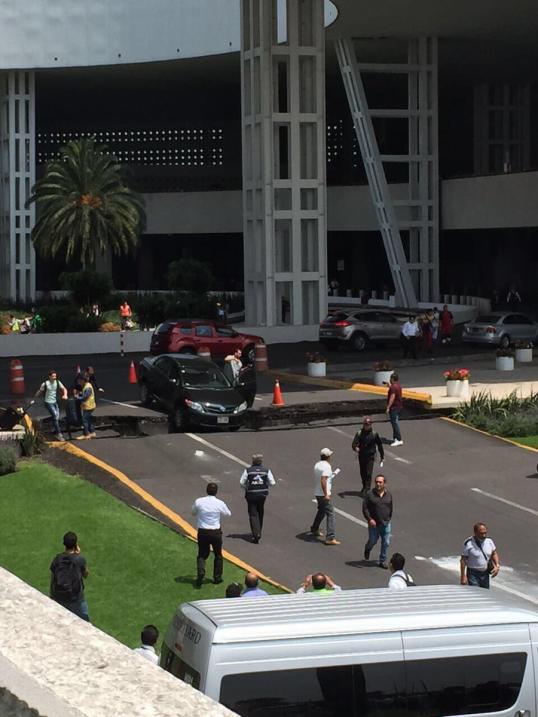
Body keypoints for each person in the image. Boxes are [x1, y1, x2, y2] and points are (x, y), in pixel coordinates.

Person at [192, 482, 231, 587]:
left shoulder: (199, 501)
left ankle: (201, 572)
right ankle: (217, 577)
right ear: (216, 492)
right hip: (215, 532)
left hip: (203, 531)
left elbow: (193, 512)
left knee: (201, 554)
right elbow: (228, 513)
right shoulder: (219, 503)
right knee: (218, 555)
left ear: (206, 490)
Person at [50, 531, 90, 621]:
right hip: (75, 598)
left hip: (58, 596)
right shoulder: (79, 559)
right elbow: (86, 574)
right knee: (85, 621)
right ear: (76, 544)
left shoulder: (57, 559)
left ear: (64, 544)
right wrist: (78, 555)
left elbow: (53, 578)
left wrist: (52, 595)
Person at [239, 453, 276, 543]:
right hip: (262, 494)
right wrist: (265, 485)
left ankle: (256, 533)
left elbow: (241, 482)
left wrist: (246, 487)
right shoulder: (266, 470)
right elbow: (272, 482)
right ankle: (259, 531)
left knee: (253, 513)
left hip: (251, 494)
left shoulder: (248, 470)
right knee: (260, 512)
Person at [310, 447, 341, 546]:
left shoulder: (317, 464)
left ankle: (315, 528)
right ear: (328, 456)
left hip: (317, 492)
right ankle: (330, 537)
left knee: (322, 510)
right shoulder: (327, 466)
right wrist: (326, 494)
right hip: (323, 493)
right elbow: (323, 480)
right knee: (330, 513)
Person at [362, 475, 393, 569]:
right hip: (374, 524)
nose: (378, 484)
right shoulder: (370, 494)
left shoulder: (388, 494)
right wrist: (369, 519)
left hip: (385, 523)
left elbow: (391, 507)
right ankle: (367, 549)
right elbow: (365, 508)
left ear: (384, 483)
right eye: (376, 482)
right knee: (373, 541)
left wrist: (388, 518)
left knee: (386, 542)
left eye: (380, 482)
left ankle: (382, 561)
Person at [460, 522, 500, 589]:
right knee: (475, 592)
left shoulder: (489, 541)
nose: (484, 535)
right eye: (481, 533)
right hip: (473, 574)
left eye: (485, 533)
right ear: (475, 533)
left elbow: (494, 553)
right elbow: (463, 560)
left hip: (485, 573)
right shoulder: (469, 543)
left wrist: (497, 565)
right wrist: (463, 576)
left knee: (485, 593)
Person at [351, 416, 384, 495]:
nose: (366, 426)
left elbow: (379, 445)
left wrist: (382, 456)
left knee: (368, 473)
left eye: (368, 424)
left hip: (370, 456)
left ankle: (368, 490)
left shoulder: (374, 434)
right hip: (362, 455)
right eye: (365, 424)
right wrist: (356, 448)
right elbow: (354, 444)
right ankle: (364, 486)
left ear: (371, 425)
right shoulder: (359, 433)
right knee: (362, 473)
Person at [34, 370, 68, 441]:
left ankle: (49, 426)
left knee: (56, 417)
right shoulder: (45, 384)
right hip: (48, 402)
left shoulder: (58, 382)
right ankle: (59, 434)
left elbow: (64, 389)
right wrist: (34, 398)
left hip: (54, 402)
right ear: (49, 377)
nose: (54, 378)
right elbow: (40, 391)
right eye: (53, 376)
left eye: (55, 376)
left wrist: (65, 394)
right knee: (55, 416)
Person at [76, 372, 96, 440]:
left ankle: (87, 434)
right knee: (88, 419)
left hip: (89, 406)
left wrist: (78, 397)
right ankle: (92, 433)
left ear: (83, 380)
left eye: (79, 380)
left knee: (84, 420)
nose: (78, 382)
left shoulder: (87, 387)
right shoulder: (86, 385)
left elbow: (85, 397)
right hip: (87, 405)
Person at [386, 372, 403, 447]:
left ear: (392, 379)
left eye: (390, 378)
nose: (390, 379)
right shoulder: (397, 386)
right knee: (394, 422)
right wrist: (390, 386)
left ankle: (398, 439)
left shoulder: (393, 387)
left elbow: (392, 397)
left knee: (394, 422)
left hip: (394, 407)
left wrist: (388, 407)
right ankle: (396, 438)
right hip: (398, 406)